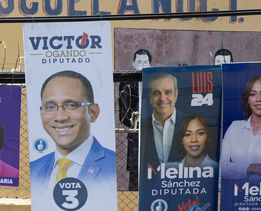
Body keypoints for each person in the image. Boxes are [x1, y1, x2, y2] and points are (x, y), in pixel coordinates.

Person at [29, 70, 117, 194]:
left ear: (92, 112)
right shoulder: (34, 169)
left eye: (71, 105)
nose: (60, 117)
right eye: (50, 107)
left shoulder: (113, 166)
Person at [221, 75, 261, 180]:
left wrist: (235, 169)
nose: (258, 99)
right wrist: (253, 168)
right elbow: (221, 168)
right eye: (253, 94)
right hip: (234, 195)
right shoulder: (234, 127)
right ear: (248, 100)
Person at [118, 48, 151, 191]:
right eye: (139, 62)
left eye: (145, 62)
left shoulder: (157, 81)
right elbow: (123, 115)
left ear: (150, 64)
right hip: (136, 134)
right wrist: (138, 123)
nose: (142, 65)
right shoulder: (126, 82)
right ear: (133, 63)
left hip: (155, 133)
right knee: (135, 173)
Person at [141, 72, 185, 165]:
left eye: (168, 92)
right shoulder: (141, 127)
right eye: (156, 93)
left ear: (176, 94)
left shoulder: (190, 123)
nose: (162, 98)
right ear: (150, 97)